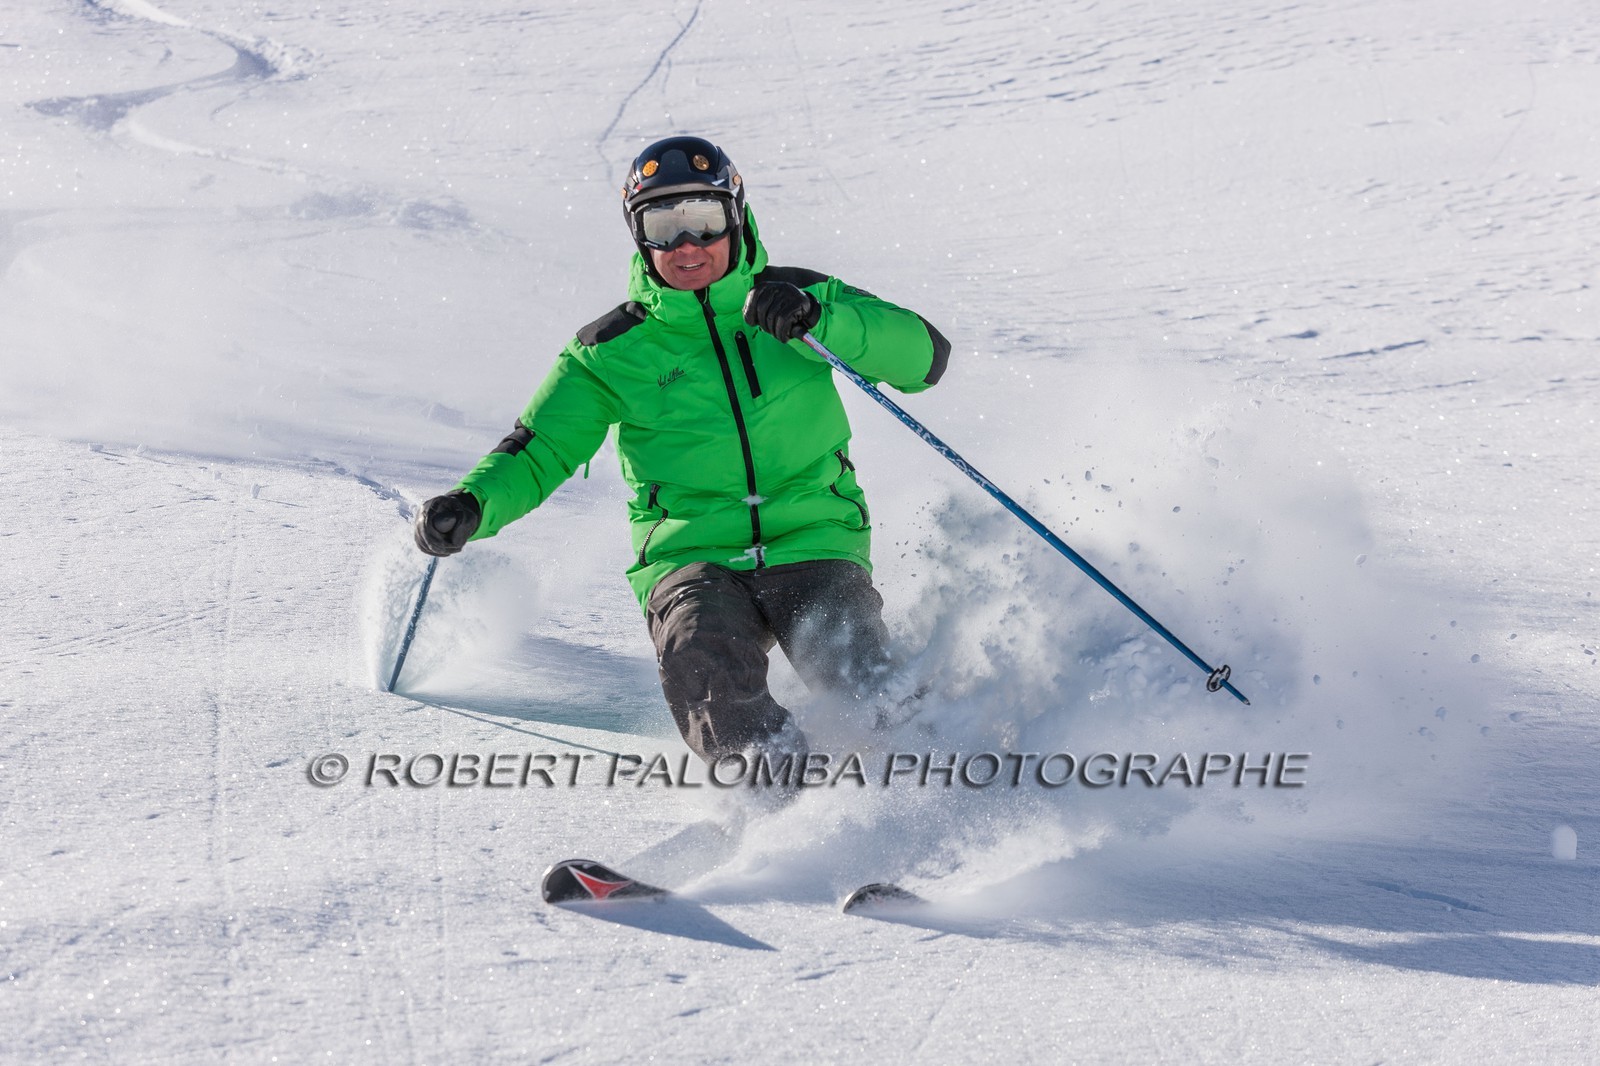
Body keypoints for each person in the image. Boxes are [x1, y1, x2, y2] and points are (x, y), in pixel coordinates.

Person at [414, 135, 949, 776]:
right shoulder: (611, 350)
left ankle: (929, 782)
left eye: (703, 220)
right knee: (703, 660)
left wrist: (820, 322)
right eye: (663, 227)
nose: (687, 245)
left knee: (858, 671)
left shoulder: (800, 300)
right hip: (691, 554)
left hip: (814, 538)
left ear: (737, 216)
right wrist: (474, 503)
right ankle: (780, 804)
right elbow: (542, 446)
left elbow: (925, 358)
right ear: (640, 238)